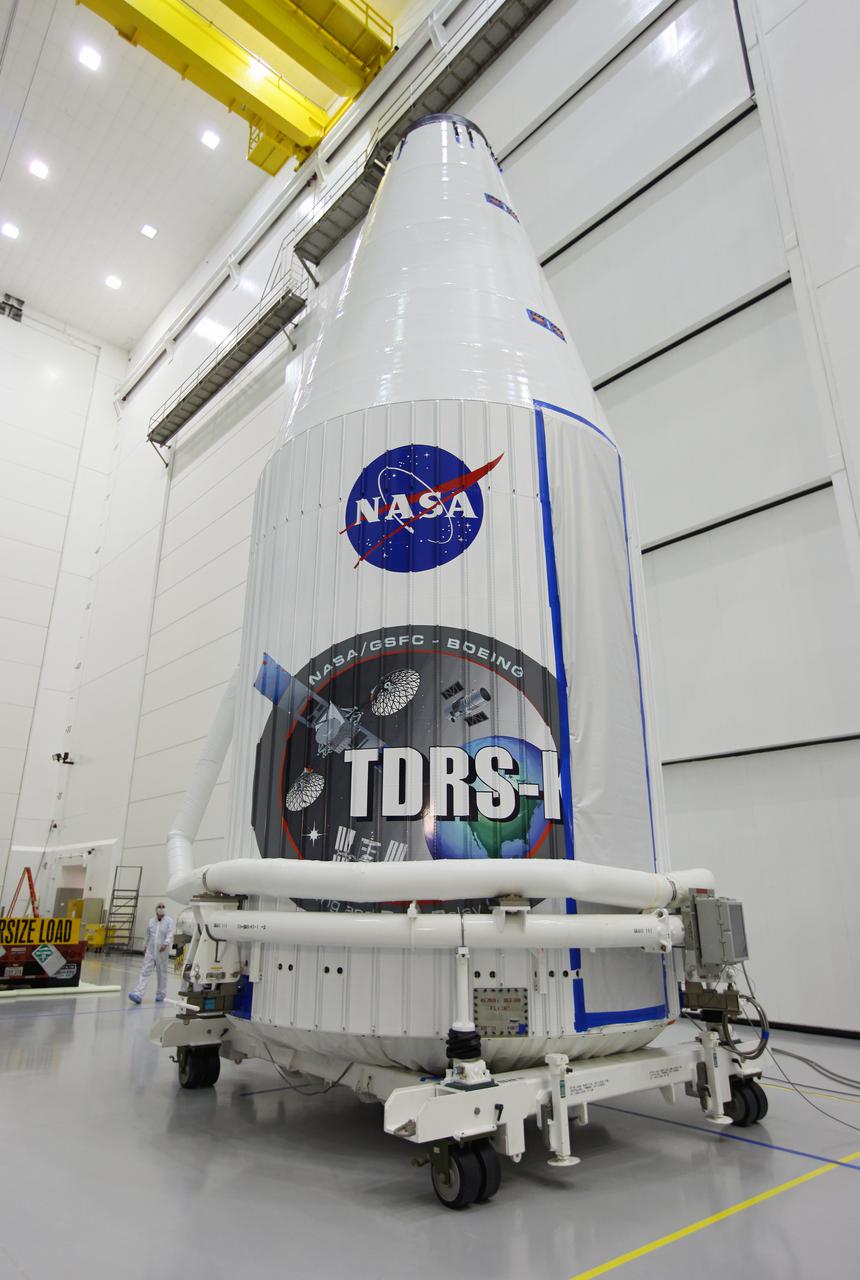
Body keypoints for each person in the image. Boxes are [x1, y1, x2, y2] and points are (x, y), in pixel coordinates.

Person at [128, 902, 175, 1004]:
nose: (161, 908)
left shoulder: (169, 921)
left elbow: (170, 933)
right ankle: (138, 994)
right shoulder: (151, 922)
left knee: (162, 973)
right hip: (150, 951)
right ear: (156, 909)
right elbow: (147, 935)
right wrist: (145, 946)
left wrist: (166, 943)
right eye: (159, 907)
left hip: (162, 952)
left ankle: (161, 994)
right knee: (145, 971)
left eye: (163, 907)